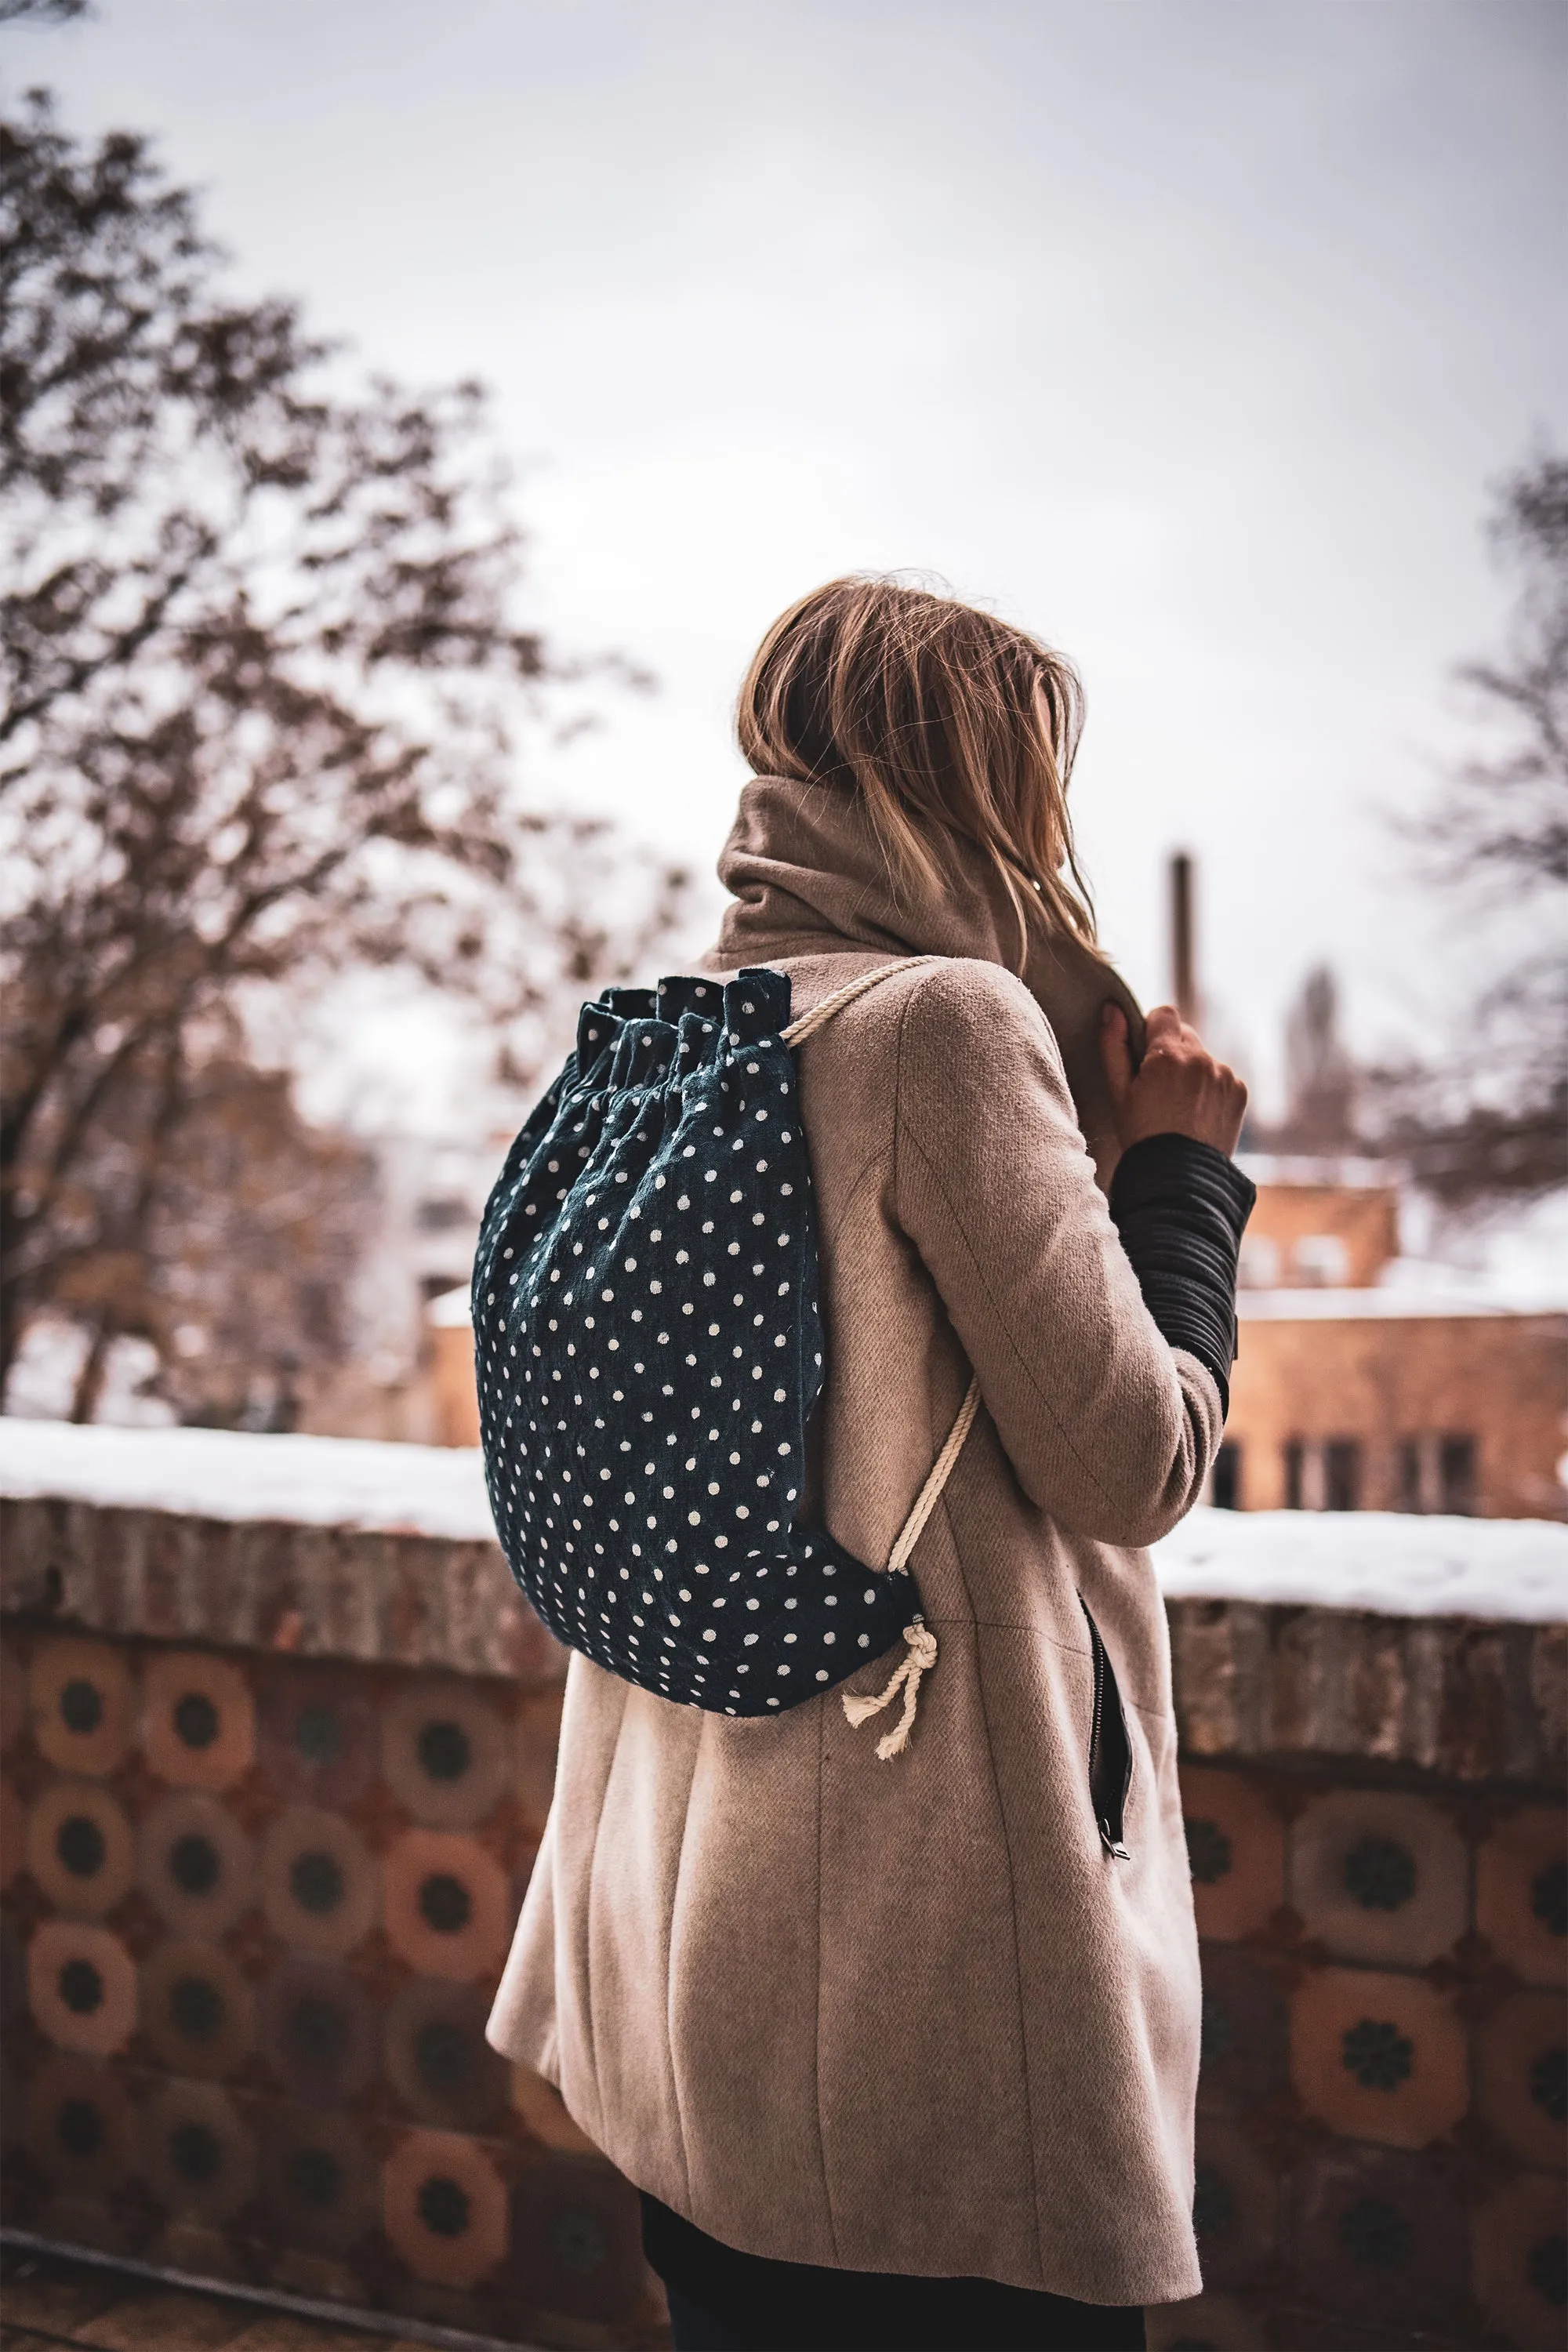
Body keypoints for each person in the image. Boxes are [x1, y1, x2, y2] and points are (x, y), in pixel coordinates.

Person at [488, 578, 1252, 2352]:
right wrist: (1183, 1183)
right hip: (913, 1991)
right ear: (986, 791)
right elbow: (1136, 1461)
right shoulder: (940, 1030)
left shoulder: (676, 1042)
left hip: (689, 1939)